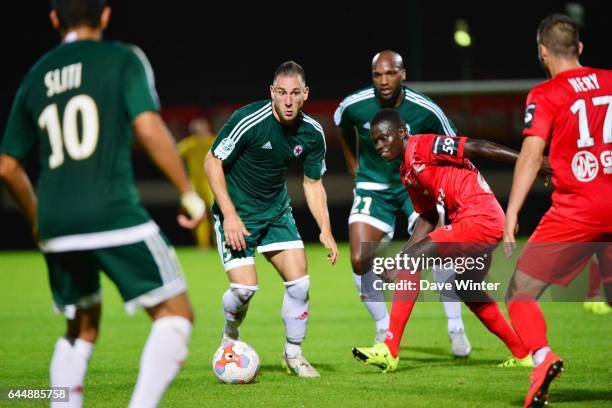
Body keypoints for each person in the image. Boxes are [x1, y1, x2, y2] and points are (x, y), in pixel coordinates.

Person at [0, 1, 205, 407]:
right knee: (176, 315)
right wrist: (186, 190)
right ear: (106, 16)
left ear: (55, 19)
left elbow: (7, 167)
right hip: (112, 211)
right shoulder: (123, 59)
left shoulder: (37, 74)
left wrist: (39, 218)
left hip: (57, 222)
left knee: (80, 327)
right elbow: (147, 127)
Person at [352, 109, 550, 373]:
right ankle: (522, 353)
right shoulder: (407, 173)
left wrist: (530, 162)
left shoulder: (424, 145)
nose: (379, 145)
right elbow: (428, 217)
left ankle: (389, 349)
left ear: (401, 132)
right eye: (375, 141)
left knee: (412, 262)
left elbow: (478, 146)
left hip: (480, 219)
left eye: (384, 138)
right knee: (466, 289)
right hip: (473, 224)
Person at [503, 14, 612, 408]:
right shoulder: (611, 80)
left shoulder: (546, 93)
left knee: (521, 292)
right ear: (580, 48)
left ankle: (542, 358)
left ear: (542, 52)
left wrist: (512, 211)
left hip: (578, 212)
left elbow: (531, 155)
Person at [204, 61, 338, 378]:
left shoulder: (312, 132)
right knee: (244, 290)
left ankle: (293, 354)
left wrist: (326, 229)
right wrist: (231, 215)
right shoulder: (248, 120)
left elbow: (313, 183)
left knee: (300, 284)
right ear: (272, 92)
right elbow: (212, 162)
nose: (288, 101)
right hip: (238, 214)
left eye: (294, 93)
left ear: (305, 94)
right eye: (282, 93)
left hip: (276, 212)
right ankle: (229, 338)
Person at [334, 50, 471, 356]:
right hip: (373, 186)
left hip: (417, 184)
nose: (384, 81)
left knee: (440, 251)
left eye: (390, 73)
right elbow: (341, 124)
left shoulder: (426, 110)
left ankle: (455, 327)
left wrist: (447, 188)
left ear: (403, 74)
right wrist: (352, 162)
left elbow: (454, 145)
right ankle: (383, 326)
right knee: (358, 258)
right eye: (378, 75)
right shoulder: (355, 105)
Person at [178, 117, 217, 248]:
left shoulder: (211, 141)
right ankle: (204, 245)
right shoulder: (192, 143)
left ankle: (216, 244)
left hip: (211, 183)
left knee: (214, 214)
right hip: (199, 185)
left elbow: (175, 153)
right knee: (202, 215)